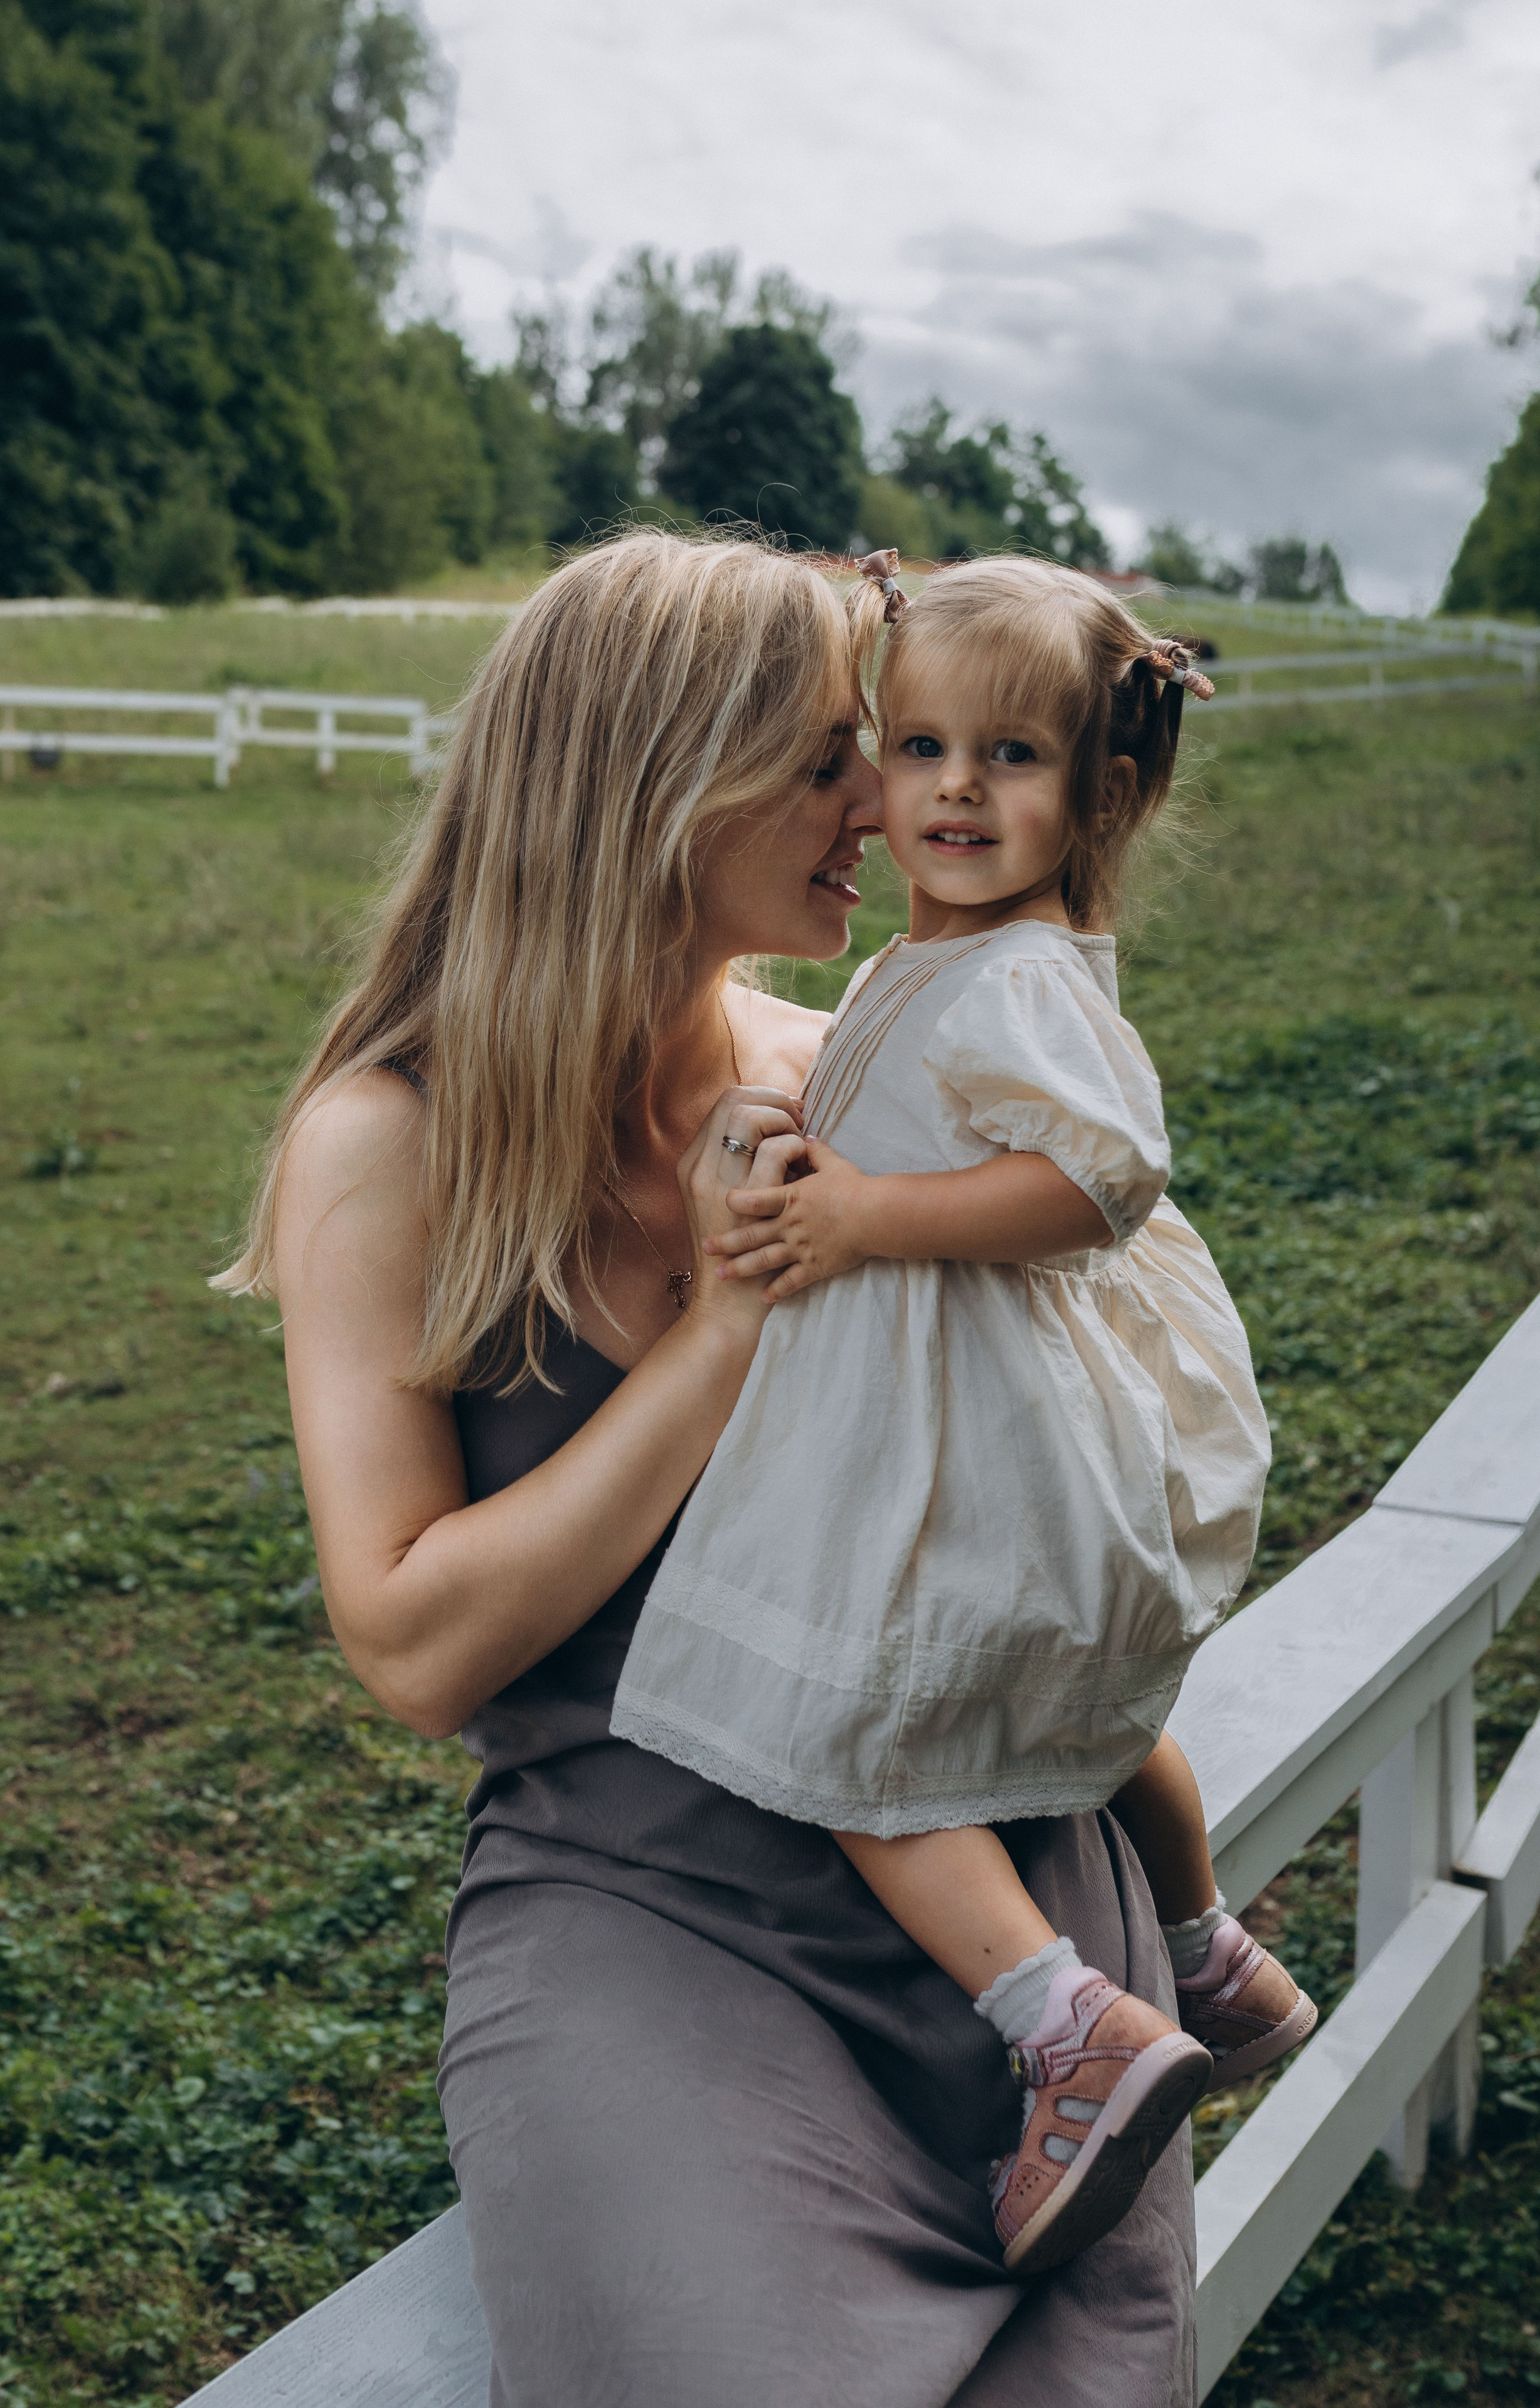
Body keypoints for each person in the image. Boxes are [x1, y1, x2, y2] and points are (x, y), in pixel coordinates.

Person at [219, 530, 1204, 2408]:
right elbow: (417, 1650)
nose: (887, 795)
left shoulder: (867, 1081)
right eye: (838, 751)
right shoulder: (386, 1143)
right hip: (651, 1911)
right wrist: (726, 1330)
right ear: (660, 785)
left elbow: (1089, 1458)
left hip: (1009, 1908)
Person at [611, 554, 1316, 2276]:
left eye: (1011, 756)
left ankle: (1072, 2024)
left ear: (1103, 794)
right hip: (994, 1416)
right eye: (915, 744)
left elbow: (1101, 1173)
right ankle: (1213, 1956)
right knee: (1090, 1709)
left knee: (862, 1743)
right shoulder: (952, 974)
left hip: (975, 1428)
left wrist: (862, 1217)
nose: (947, 791)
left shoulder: (1013, 980)